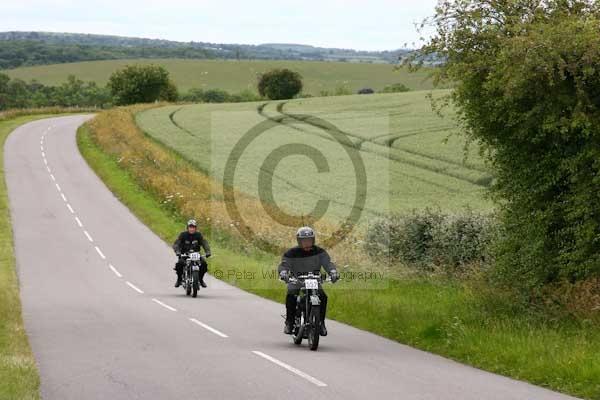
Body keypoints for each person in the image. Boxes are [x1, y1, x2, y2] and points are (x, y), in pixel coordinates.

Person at [278, 226, 339, 336]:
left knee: (323, 297)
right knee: (291, 295)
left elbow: (328, 263)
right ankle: (290, 322)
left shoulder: (320, 252)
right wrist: (283, 273)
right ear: (299, 241)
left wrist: (333, 272)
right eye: (304, 241)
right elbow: (284, 264)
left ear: (313, 240)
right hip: (296, 280)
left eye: (309, 240)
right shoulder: (292, 253)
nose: (307, 243)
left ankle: (321, 323)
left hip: (314, 280)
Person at [173, 219, 211, 288]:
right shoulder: (183, 235)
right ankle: (179, 280)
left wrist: (208, 251)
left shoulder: (198, 235)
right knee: (179, 264)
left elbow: (204, 243)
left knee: (204, 264)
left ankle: (201, 279)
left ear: (195, 228)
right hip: (185, 255)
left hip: (196, 254)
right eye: (190, 227)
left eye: (193, 227)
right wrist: (177, 251)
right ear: (187, 228)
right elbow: (176, 244)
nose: (192, 229)